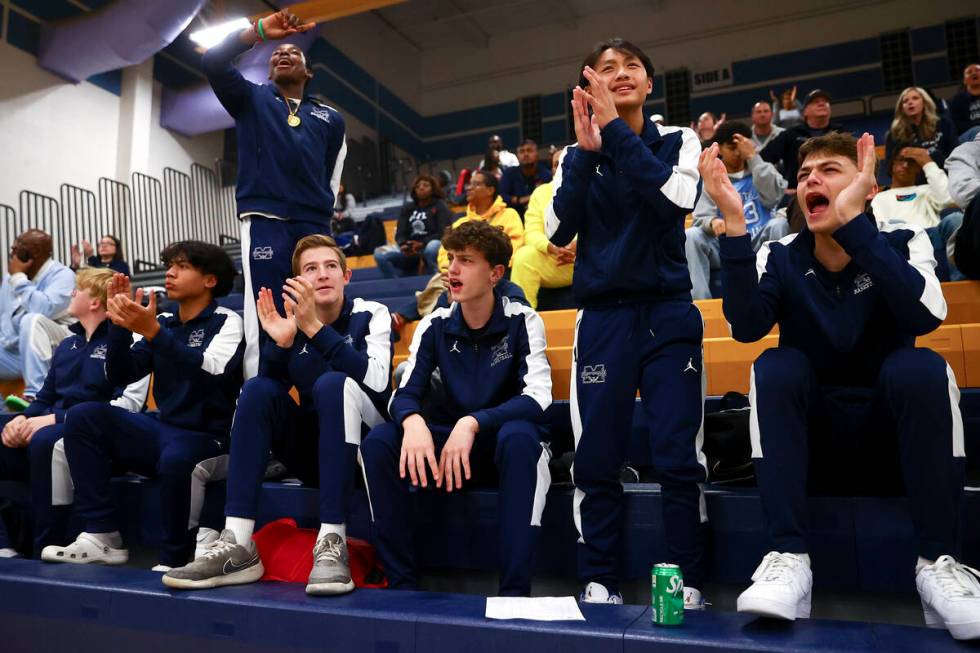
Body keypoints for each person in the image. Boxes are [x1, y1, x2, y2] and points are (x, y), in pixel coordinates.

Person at [705, 131, 979, 640]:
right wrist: (737, 226)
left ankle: (939, 563)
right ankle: (789, 556)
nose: (811, 180)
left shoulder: (904, 240)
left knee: (920, 368)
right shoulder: (782, 253)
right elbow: (745, 326)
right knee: (776, 364)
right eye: (804, 175)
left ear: (864, 187)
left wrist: (857, 230)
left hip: (891, 447)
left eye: (829, 171)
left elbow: (927, 315)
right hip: (814, 451)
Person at [547, 38, 708, 608]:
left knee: (677, 456)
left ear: (648, 82)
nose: (619, 74)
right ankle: (601, 580)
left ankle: (688, 582)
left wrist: (615, 132)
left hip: (667, 313)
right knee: (597, 457)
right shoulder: (575, 153)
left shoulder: (677, 139)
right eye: (605, 68)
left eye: (631, 66)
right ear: (588, 86)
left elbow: (676, 200)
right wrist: (590, 152)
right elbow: (556, 232)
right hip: (603, 319)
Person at [163, 235, 391, 595]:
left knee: (333, 385)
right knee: (256, 388)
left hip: (364, 454)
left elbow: (377, 383)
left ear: (346, 276)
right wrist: (280, 347)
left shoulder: (370, 313)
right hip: (313, 453)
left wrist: (315, 329)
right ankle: (238, 542)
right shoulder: (292, 322)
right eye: (311, 269)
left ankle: (332, 542)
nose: (323, 275)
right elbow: (263, 403)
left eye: (331, 266)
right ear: (298, 282)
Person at [361, 220, 552, 597]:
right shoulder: (434, 324)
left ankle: (514, 592)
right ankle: (401, 585)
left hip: (499, 444)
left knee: (519, 438)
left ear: (496, 273)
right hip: (450, 449)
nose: (452, 269)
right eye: (451, 259)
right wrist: (413, 420)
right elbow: (405, 394)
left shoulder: (523, 320)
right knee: (381, 441)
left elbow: (537, 398)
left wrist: (474, 423)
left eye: (466, 260)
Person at [42, 241, 244, 570]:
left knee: (178, 457)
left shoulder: (226, 320)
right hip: (165, 430)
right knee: (85, 416)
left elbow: (211, 371)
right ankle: (102, 535)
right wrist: (120, 330)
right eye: (168, 264)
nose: (170, 272)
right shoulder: (163, 321)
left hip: (214, 439)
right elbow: (120, 374)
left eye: (182, 266)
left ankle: (175, 557)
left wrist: (152, 332)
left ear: (209, 280)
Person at [202, 8, 345, 380]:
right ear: (267, 71)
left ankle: (327, 386)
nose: (283, 54)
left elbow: (331, 173)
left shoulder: (331, 118)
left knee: (322, 306)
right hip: (266, 220)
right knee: (267, 308)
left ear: (308, 72)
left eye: (294, 54)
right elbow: (213, 61)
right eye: (277, 55)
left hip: (314, 223)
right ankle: (263, 391)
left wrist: (324, 217)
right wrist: (259, 31)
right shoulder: (250, 99)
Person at [0, 268, 148, 558]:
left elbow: (123, 407)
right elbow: (44, 397)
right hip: (49, 426)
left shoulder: (126, 344)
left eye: (77, 290)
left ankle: (45, 544)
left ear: (94, 302)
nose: (71, 294)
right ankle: (4, 543)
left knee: (47, 441)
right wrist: (22, 419)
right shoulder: (68, 344)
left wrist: (52, 419)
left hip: (94, 440)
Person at [686, 121, 788, 300]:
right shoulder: (714, 177)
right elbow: (701, 216)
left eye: (741, 146)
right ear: (721, 150)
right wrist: (712, 222)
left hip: (759, 241)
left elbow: (773, 197)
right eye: (732, 147)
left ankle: (784, 293)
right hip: (727, 244)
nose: (737, 152)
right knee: (692, 236)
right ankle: (701, 304)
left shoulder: (762, 169)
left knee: (779, 224)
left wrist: (753, 157)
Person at [0, 230, 76, 401]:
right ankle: (3, 412)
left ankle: (37, 396)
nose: (12, 249)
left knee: (31, 320)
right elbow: (3, 316)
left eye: (18, 245)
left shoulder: (63, 275)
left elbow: (44, 309)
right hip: (19, 351)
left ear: (35, 252)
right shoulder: (9, 278)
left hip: (59, 346)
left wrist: (19, 278)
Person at [871, 146, 959, 276]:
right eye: (900, 160)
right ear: (891, 166)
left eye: (911, 162)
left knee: (955, 219)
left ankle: (961, 281)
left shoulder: (928, 190)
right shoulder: (878, 197)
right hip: (900, 243)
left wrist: (927, 161)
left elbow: (949, 199)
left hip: (932, 238)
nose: (905, 165)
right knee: (895, 224)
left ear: (918, 168)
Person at [511, 149, 575, 308]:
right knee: (524, 257)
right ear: (552, 170)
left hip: (586, 257)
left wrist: (577, 246)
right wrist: (552, 247)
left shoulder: (594, 185)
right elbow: (532, 232)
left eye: (565, 162)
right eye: (555, 165)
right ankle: (522, 319)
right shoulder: (540, 193)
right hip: (554, 258)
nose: (560, 167)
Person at [761, 89, 845, 196]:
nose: (822, 103)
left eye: (825, 101)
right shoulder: (791, 134)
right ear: (804, 111)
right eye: (815, 102)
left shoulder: (841, 133)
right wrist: (779, 189)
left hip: (837, 193)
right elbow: (762, 160)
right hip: (800, 197)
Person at [374, 175, 453, 278]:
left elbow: (443, 232)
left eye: (426, 185)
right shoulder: (407, 207)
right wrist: (404, 244)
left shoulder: (440, 206)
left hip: (430, 245)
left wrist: (422, 243)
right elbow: (400, 232)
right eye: (418, 186)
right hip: (411, 249)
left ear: (433, 189)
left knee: (432, 246)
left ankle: (436, 277)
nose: (421, 187)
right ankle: (395, 282)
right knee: (379, 253)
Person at [884, 87, 956, 172]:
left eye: (915, 98)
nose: (910, 102)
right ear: (902, 108)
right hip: (915, 179)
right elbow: (890, 167)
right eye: (905, 101)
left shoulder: (943, 123)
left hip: (945, 173)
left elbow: (955, 152)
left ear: (925, 102)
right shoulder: (895, 134)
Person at [499, 139, 553, 218]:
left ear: (537, 154)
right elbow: (502, 196)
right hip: (515, 218)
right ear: (517, 156)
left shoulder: (546, 175)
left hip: (542, 217)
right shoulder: (509, 173)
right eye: (521, 151)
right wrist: (520, 200)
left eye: (529, 150)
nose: (525, 154)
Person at [949, 63, 980, 142]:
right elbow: (957, 125)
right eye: (969, 72)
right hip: (968, 136)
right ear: (964, 80)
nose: (974, 73)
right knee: (977, 130)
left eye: (977, 70)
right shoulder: (957, 101)